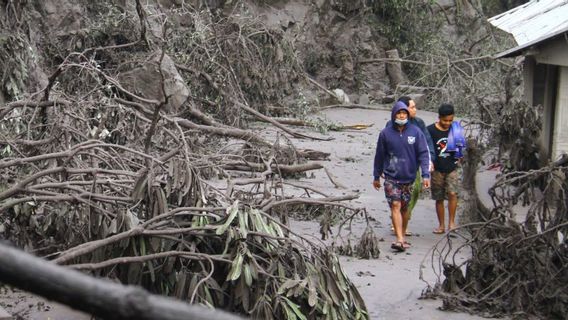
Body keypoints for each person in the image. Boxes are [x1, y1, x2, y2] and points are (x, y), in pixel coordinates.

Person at [373, 101, 431, 252]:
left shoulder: (416, 132)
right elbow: (379, 155)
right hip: (391, 177)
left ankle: (402, 236)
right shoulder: (385, 133)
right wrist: (376, 176)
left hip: (409, 177)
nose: (401, 115)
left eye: (404, 113)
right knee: (395, 205)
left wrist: (425, 175)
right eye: (399, 113)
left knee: (405, 209)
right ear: (394, 115)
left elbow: (424, 154)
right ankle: (399, 239)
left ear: (407, 115)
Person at [389, 96, 436, 236]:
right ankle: (398, 224)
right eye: (412, 107)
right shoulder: (390, 125)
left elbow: (427, 144)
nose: (415, 109)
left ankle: (404, 219)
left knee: (413, 193)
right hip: (395, 167)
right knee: (395, 197)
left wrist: (430, 160)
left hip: (413, 166)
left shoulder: (419, 124)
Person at [427, 104, 464, 234]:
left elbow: (460, 147)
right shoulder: (430, 130)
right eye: (445, 120)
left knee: (453, 193)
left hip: (452, 167)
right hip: (437, 168)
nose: (447, 123)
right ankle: (441, 225)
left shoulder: (456, 129)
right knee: (439, 197)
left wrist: (460, 156)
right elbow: (427, 149)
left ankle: (452, 223)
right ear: (439, 118)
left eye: (450, 120)